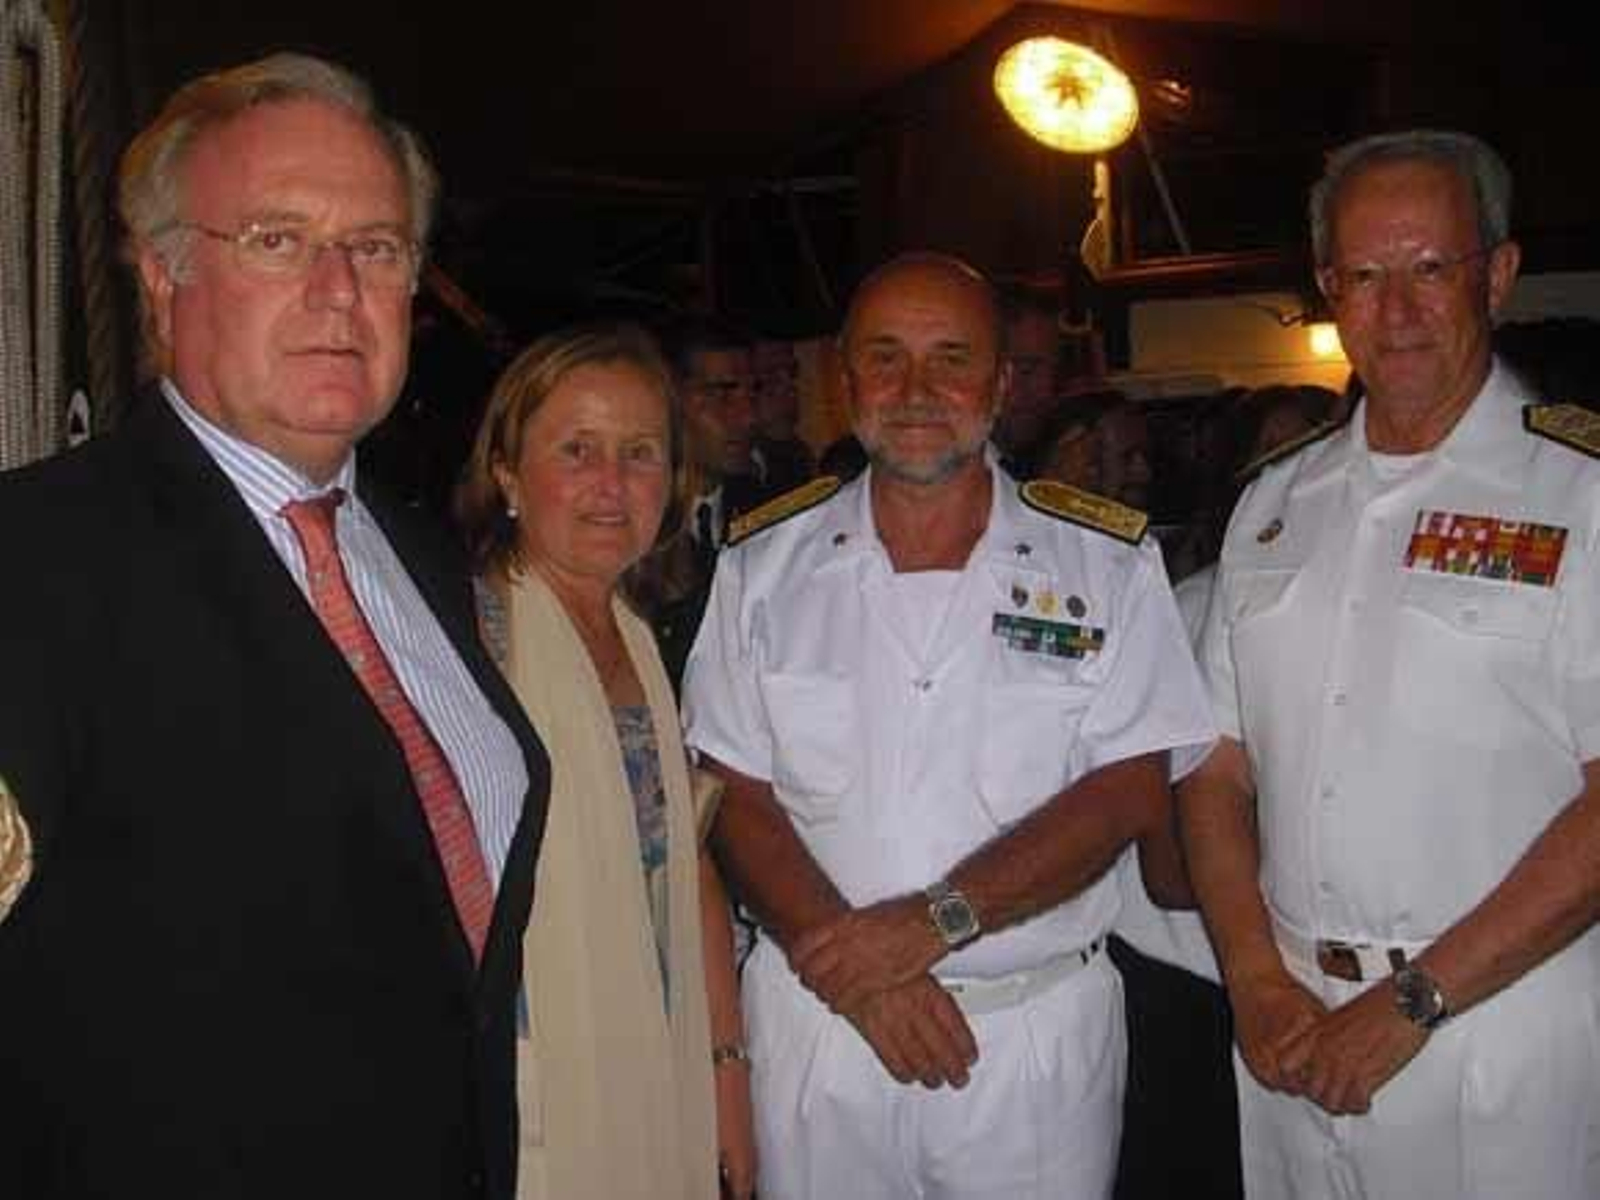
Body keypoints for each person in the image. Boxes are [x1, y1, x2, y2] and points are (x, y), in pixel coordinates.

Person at [0, 53, 550, 1199]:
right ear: (162, 279)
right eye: (276, 239)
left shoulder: (416, 560)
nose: (339, 289)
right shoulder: (39, 558)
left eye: (377, 247)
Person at [682, 251, 1216, 1200]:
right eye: (884, 358)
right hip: (821, 1023)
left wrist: (936, 923)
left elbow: (1129, 787)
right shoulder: (763, 565)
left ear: (1001, 382)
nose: (916, 389)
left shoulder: (1106, 564)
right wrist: (856, 968)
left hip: (1028, 1036)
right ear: (845, 383)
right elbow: (728, 787)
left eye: (950, 358)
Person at [1181, 128, 1600, 1200]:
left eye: (1430, 269)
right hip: (1285, 1032)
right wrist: (1252, 980)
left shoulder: (1578, 493)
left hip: (1495, 1035)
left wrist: (1412, 1002)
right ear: (1326, 288)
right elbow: (1215, 770)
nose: (1396, 307)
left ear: (1496, 275)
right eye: (1363, 275)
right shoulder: (1273, 503)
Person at [457, 324, 756, 1200]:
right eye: (576, 450)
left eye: (639, 453)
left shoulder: (634, 632)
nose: (611, 485)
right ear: (507, 472)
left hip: (658, 1057)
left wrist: (726, 1067)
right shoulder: (470, 638)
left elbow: (685, 856)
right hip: (529, 1089)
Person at [752, 335, 816, 493]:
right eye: (771, 377)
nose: (790, 390)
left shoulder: (798, 456)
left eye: (793, 373)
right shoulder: (727, 466)